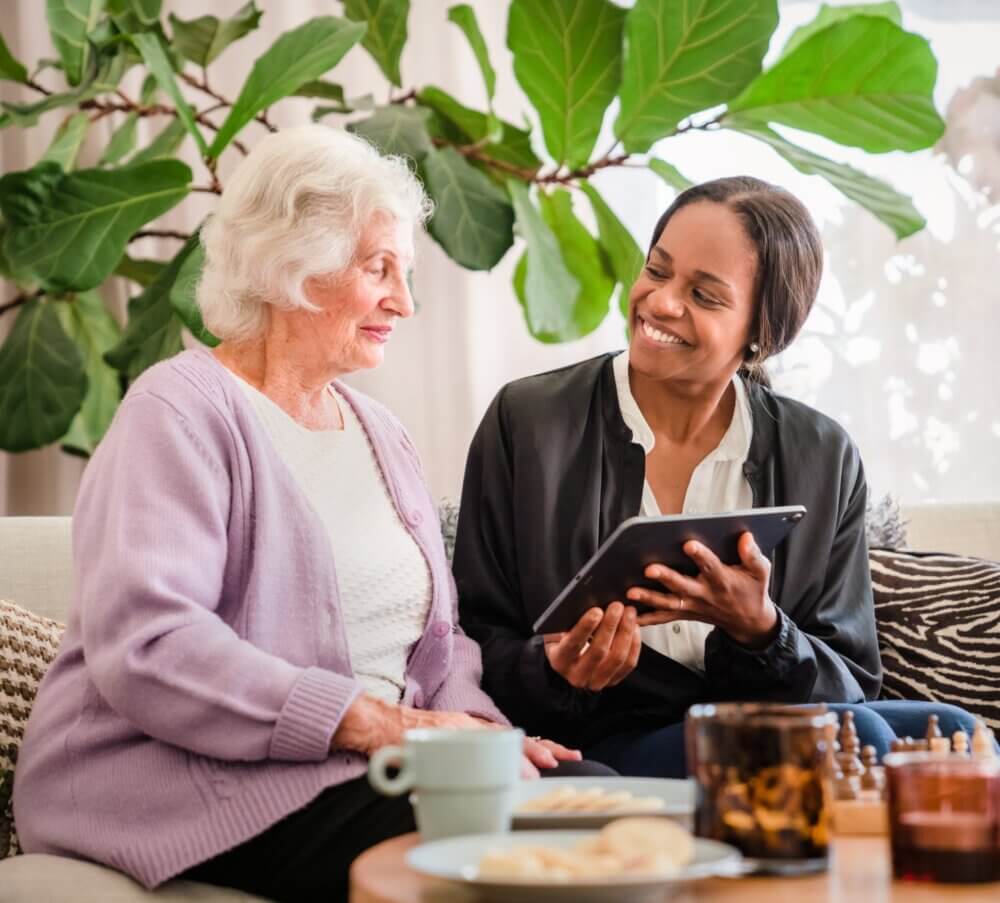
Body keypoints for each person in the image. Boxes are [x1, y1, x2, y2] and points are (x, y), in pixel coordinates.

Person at [12, 126, 588, 903]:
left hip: (368, 766)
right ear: (295, 267)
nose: (404, 302)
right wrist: (386, 726)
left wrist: (485, 736)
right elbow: (151, 645)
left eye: (405, 272)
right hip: (193, 778)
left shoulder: (382, 433)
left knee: (605, 804)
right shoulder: (177, 413)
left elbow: (438, 650)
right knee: (492, 851)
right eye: (379, 268)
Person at [454, 176, 982, 779]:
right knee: (857, 735)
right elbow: (471, 640)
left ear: (762, 331)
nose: (660, 303)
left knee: (959, 735)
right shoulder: (528, 422)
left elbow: (853, 677)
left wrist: (760, 630)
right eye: (658, 271)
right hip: (602, 735)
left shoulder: (821, 453)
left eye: (704, 296)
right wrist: (557, 669)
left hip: (769, 718)